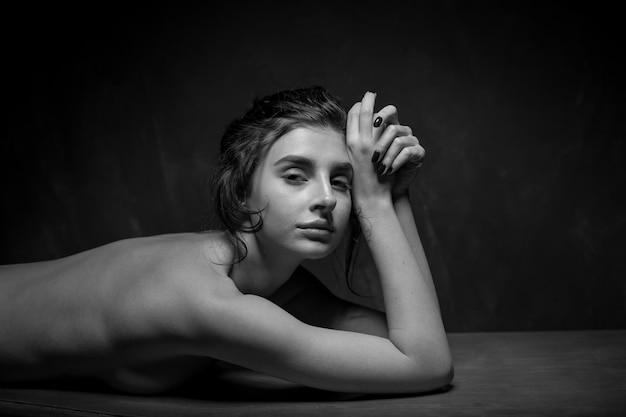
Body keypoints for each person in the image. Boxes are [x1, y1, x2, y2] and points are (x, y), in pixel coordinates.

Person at [0, 86, 453, 395]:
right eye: (295, 176)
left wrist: (393, 192)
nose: (325, 199)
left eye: (341, 181)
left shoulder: (275, 286)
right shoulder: (204, 298)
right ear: (241, 191)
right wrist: (373, 205)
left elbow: (413, 336)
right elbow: (426, 364)